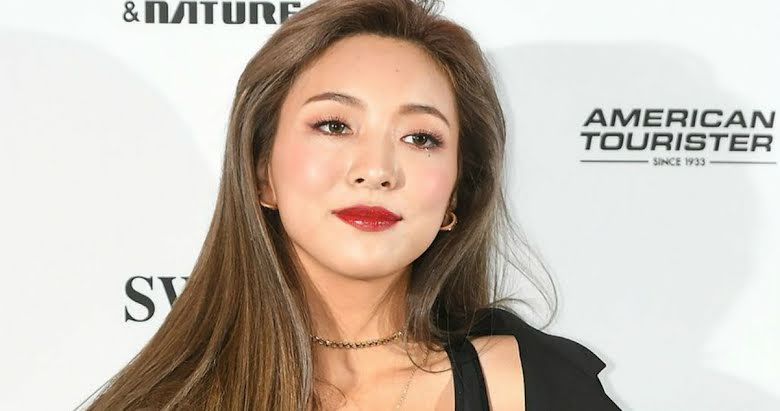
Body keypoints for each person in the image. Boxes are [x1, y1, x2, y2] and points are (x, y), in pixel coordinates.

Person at [82, 0, 621, 409]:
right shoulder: (162, 401)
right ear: (262, 173)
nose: (377, 169)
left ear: (456, 194)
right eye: (335, 126)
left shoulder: (531, 385)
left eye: (420, 138)